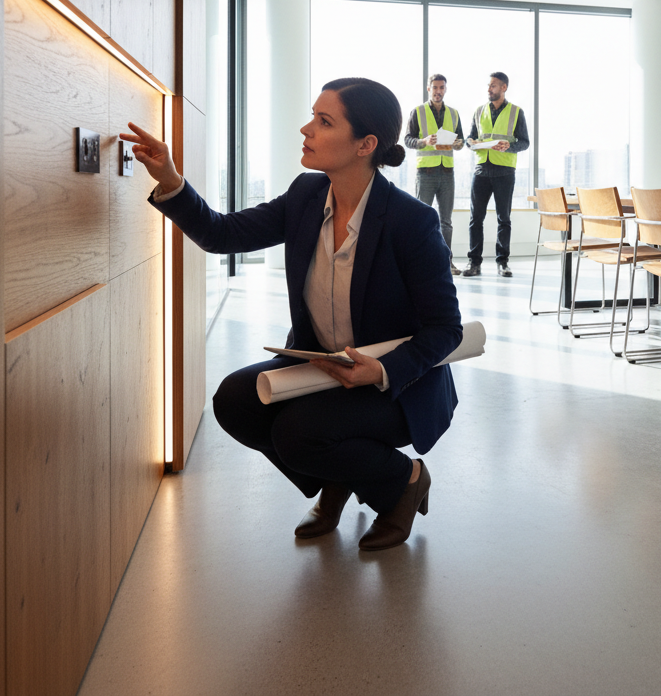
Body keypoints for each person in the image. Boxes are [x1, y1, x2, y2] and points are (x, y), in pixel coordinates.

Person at [120, 78, 462, 551]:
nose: (306, 129)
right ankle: (340, 475)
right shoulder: (306, 195)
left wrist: (381, 370)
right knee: (235, 402)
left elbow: (446, 329)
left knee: (298, 434)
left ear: (365, 145)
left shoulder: (411, 221)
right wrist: (170, 179)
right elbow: (222, 234)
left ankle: (403, 481)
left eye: (324, 121)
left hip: (396, 384)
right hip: (321, 365)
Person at [463, 71, 529, 278]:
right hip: (481, 170)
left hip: (504, 172)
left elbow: (524, 142)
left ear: (504, 87)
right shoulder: (479, 111)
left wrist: (509, 146)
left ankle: (503, 262)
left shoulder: (516, 112)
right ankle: (474, 262)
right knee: (476, 218)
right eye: (489, 85)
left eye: (493, 85)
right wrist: (470, 142)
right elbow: (469, 139)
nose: (489, 89)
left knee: (504, 219)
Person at [403, 73, 465, 275]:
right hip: (426, 173)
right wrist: (424, 141)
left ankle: (447, 263)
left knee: (446, 222)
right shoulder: (418, 112)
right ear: (428, 88)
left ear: (445, 89)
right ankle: (419, 262)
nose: (438, 91)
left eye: (442, 88)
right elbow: (408, 140)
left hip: (447, 173)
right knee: (422, 219)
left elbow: (461, 141)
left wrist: (458, 144)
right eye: (435, 87)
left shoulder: (454, 114)